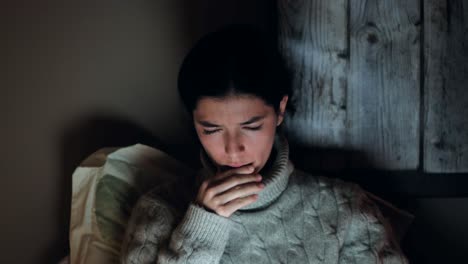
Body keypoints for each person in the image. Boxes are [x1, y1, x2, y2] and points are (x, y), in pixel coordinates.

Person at [120, 24, 408, 263]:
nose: (233, 149)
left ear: (280, 110)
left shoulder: (344, 208)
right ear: (193, 123)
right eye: (211, 129)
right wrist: (203, 226)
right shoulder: (158, 210)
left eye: (251, 126)